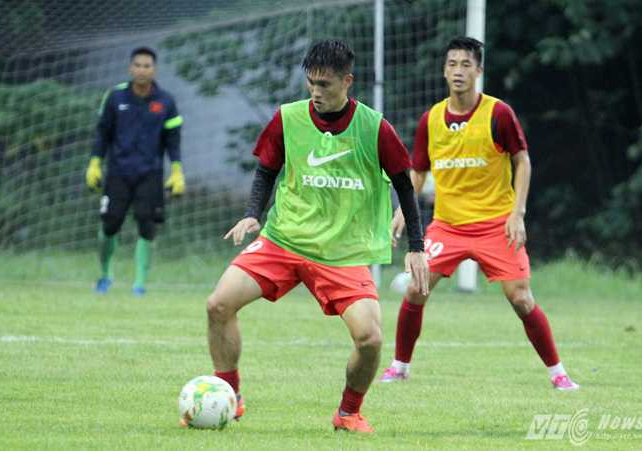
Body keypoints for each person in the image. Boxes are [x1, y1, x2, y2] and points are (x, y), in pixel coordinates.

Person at [202, 39, 429, 434]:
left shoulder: (374, 127)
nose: (315, 92)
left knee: (370, 339)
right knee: (218, 304)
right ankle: (229, 396)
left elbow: (404, 186)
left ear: (347, 81)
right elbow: (266, 170)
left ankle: (348, 413)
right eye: (311, 83)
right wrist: (252, 214)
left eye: (324, 84)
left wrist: (416, 247)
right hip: (284, 241)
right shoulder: (288, 118)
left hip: (342, 253)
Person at [380, 37, 579, 391]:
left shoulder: (498, 114)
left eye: (465, 64)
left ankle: (558, 373)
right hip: (448, 226)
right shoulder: (431, 120)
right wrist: (402, 210)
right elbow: (418, 173)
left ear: (479, 71)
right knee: (415, 289)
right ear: (444, 71)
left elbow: (522, 162)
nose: (458, 71)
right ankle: (399, 367)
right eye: (452, 64)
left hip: (495, 225)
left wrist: (517, 213)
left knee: (521, 297)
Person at [85, 47, 185, 296]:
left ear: (154, 69)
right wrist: (95, 163)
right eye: (137, 65)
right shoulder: (115, 96)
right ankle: (105, 276)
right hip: (118, 172)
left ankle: (139, 284)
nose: (142, 70)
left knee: (146, 225)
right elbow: (102, 133)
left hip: (150, 174)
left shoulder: (166, 101)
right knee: (110, 224)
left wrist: (177, 170)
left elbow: (173, 140)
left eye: (147, 66)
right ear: (131, 68)